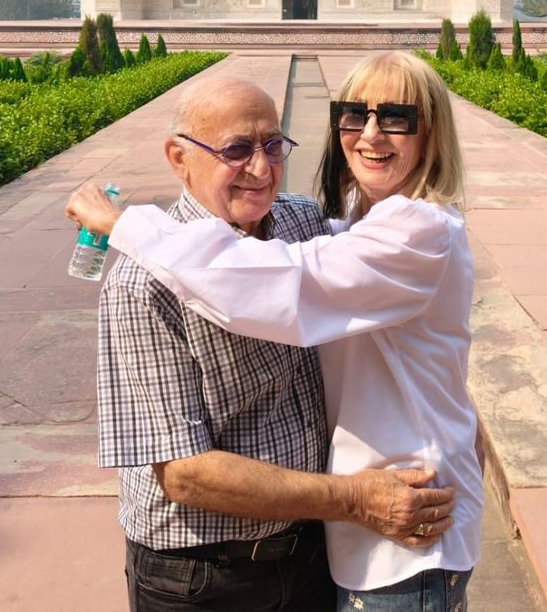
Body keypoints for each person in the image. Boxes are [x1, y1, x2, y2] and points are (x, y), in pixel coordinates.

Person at [74, 74, 455, 612]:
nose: (260, 169)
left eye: (273, 146)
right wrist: (355, 499)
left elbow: (376, 281)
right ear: (179, 158)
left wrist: (449, 398)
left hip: (308, 554)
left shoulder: (296, 222)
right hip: (205, 575)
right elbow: (186, 474)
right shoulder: (142, 285)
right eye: (235, 150)